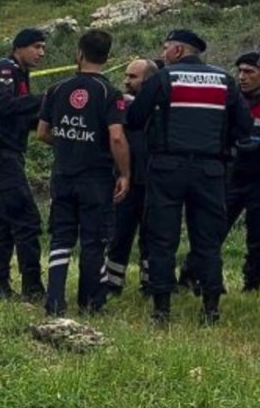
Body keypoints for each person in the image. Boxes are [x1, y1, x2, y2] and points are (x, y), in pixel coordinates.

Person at [125, 30, 252, 325]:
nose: (164, 52)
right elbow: (244, 127)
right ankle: (210, 309)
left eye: (167, 47)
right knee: (207, 240)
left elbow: (135, 118)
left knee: (162, 238)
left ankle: (161, 309)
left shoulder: (164, 77)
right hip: (210, 170)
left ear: (179, 51)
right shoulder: (224, 80)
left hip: (167, 168)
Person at [35, 29, 130, 316]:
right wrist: (124, 173)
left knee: (61, 237)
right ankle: (91, 305)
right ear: (107, 56)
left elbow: (42, 133)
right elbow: (116, 137)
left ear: (79, 53)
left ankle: (53, 301)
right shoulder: (110, 94)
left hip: (63, 175)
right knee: (93, 240)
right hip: (96, 178)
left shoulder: (57, 88)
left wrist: (66, 142)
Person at [0, 28, 48, 301]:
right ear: (19, 47)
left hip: (8, 152)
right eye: (36, 47)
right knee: (26, 218)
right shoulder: (5, 70)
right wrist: (46, 99)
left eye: (43, 48)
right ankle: (33, 288)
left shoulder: (20, 73)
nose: (41, 53)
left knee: (5, 222)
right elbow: (4, 106)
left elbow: (19, 116)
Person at [105, 58, 158, 295]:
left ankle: (150, 283)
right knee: (120, 234)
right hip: (126, 180)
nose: (126, 81)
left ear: (148, 81)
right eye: (126, 75)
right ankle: (112, 284)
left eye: (133, 77)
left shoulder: (161, 105)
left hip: (155, 181)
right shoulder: (120, 105)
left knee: (153, 236)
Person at [228, 51, 260, 290]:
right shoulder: (232, 100)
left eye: (249, 72)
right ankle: (191, 277)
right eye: (239, 71)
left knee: (257, 236)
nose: (242, 77)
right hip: (232, 175)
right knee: (211, 229)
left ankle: (253, 284)